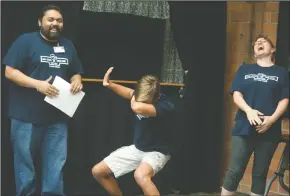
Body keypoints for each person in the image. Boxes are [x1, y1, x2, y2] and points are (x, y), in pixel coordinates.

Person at [3, 4, 84, 196]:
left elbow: (76, 72)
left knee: (55, 167)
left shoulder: (67, 45)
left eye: (59, 20)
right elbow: (9, 71)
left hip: (57, 118)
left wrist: (77, 81)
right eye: (50, 19)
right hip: (26, 117)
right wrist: (37, 84)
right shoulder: (25, 41)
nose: (55, 24)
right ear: (40, 21)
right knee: (25, 167)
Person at [221, 35, 289, 196]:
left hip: (269, 130)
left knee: (260, 174)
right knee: (234, 171)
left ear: (272, 49)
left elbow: (285, 99)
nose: (258, 42)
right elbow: (237, 94)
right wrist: (249, 111)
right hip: (244, 126)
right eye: (256, 42)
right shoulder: (245, 70)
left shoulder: (282, 72)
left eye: (263, 41)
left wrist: (272, 120)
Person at [92, 67, 174, 196]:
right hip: (138, 149)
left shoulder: (166, 105)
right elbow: (129, 92)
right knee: (98, 171)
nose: (140, 101)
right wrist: (110, 85)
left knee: (140, 176)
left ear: (156, 95)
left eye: (145, 101)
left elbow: (137, 107)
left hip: (157, 152)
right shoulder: (141, 96)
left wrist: (134, 97)